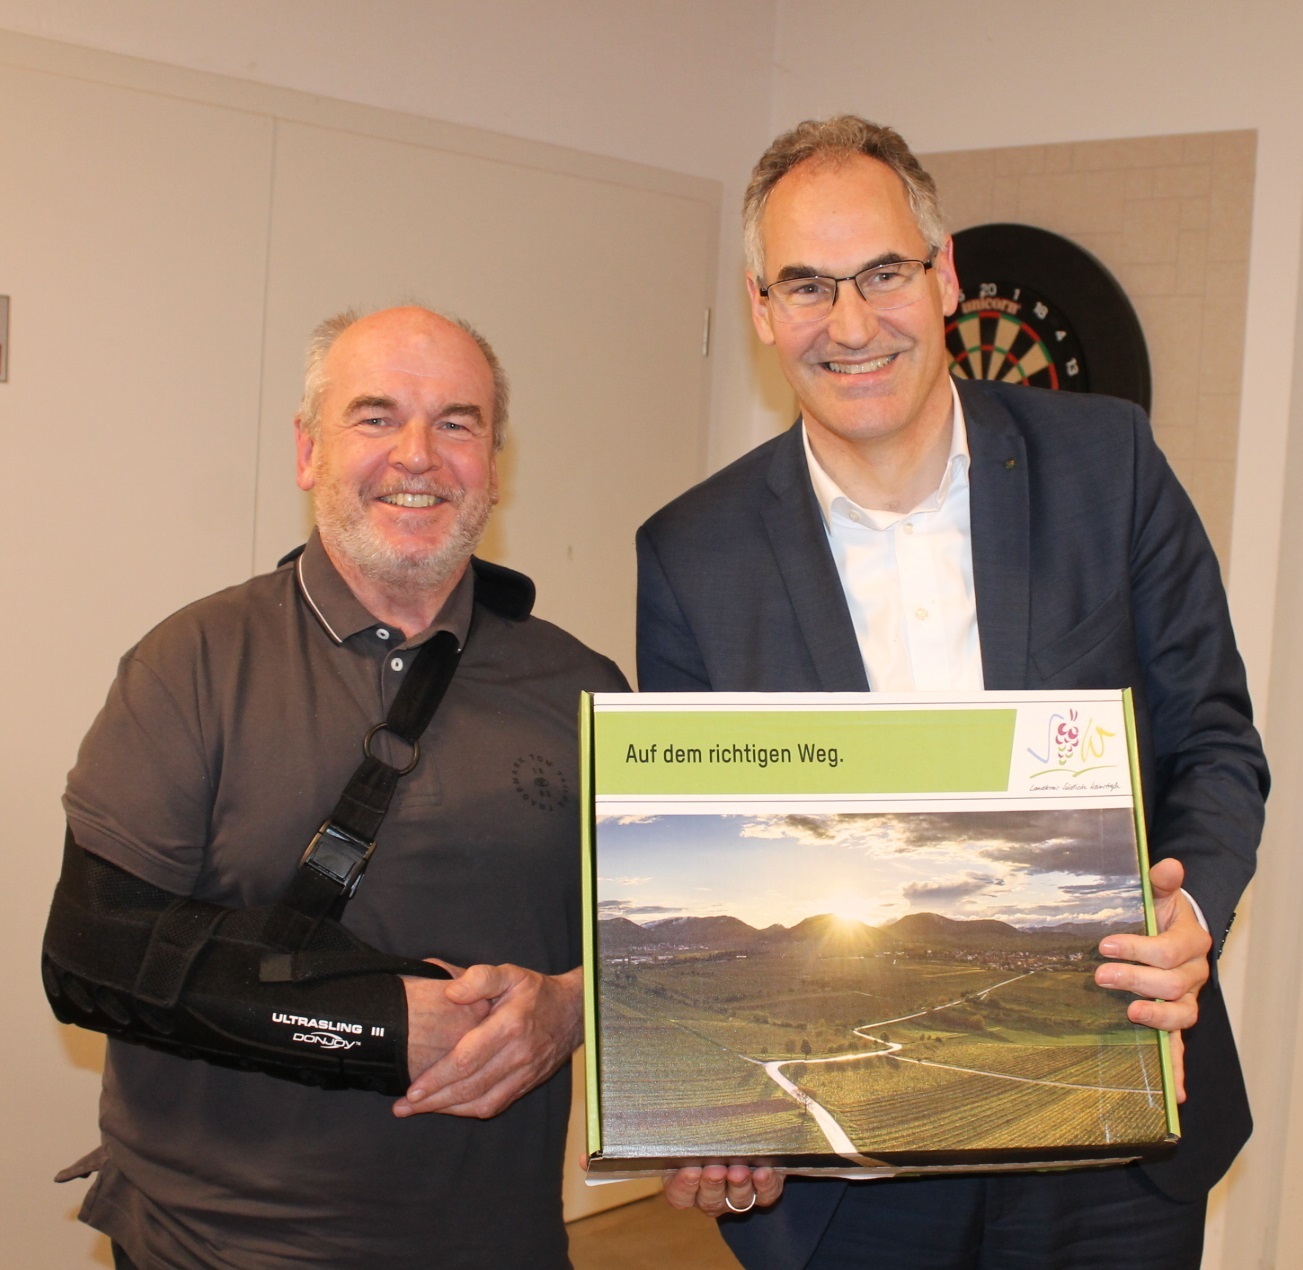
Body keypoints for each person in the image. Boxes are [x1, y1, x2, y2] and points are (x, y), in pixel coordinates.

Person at [636, 117, 1268, 1269]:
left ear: (944, 274)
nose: (851, 321)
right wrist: (713, 1113)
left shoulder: (1108, 464)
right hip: (843, 1190)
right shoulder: (691, 555)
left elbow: (1217, 740)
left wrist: (1194, 916)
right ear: (762, 306)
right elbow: (691, 824)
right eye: (807, 285)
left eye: (883, 272)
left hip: (1114, 1136)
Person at [45, 305, 627, 1268]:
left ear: (494, 459)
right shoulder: (192, 662)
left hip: (495, 1241)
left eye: (456, 422)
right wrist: (379, 1024)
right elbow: (89, 954)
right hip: (208, 1243)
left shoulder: (582, 686)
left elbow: (657, 952)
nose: (417, 455)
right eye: (375, 416)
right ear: (309, 450)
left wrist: (569, 1006)